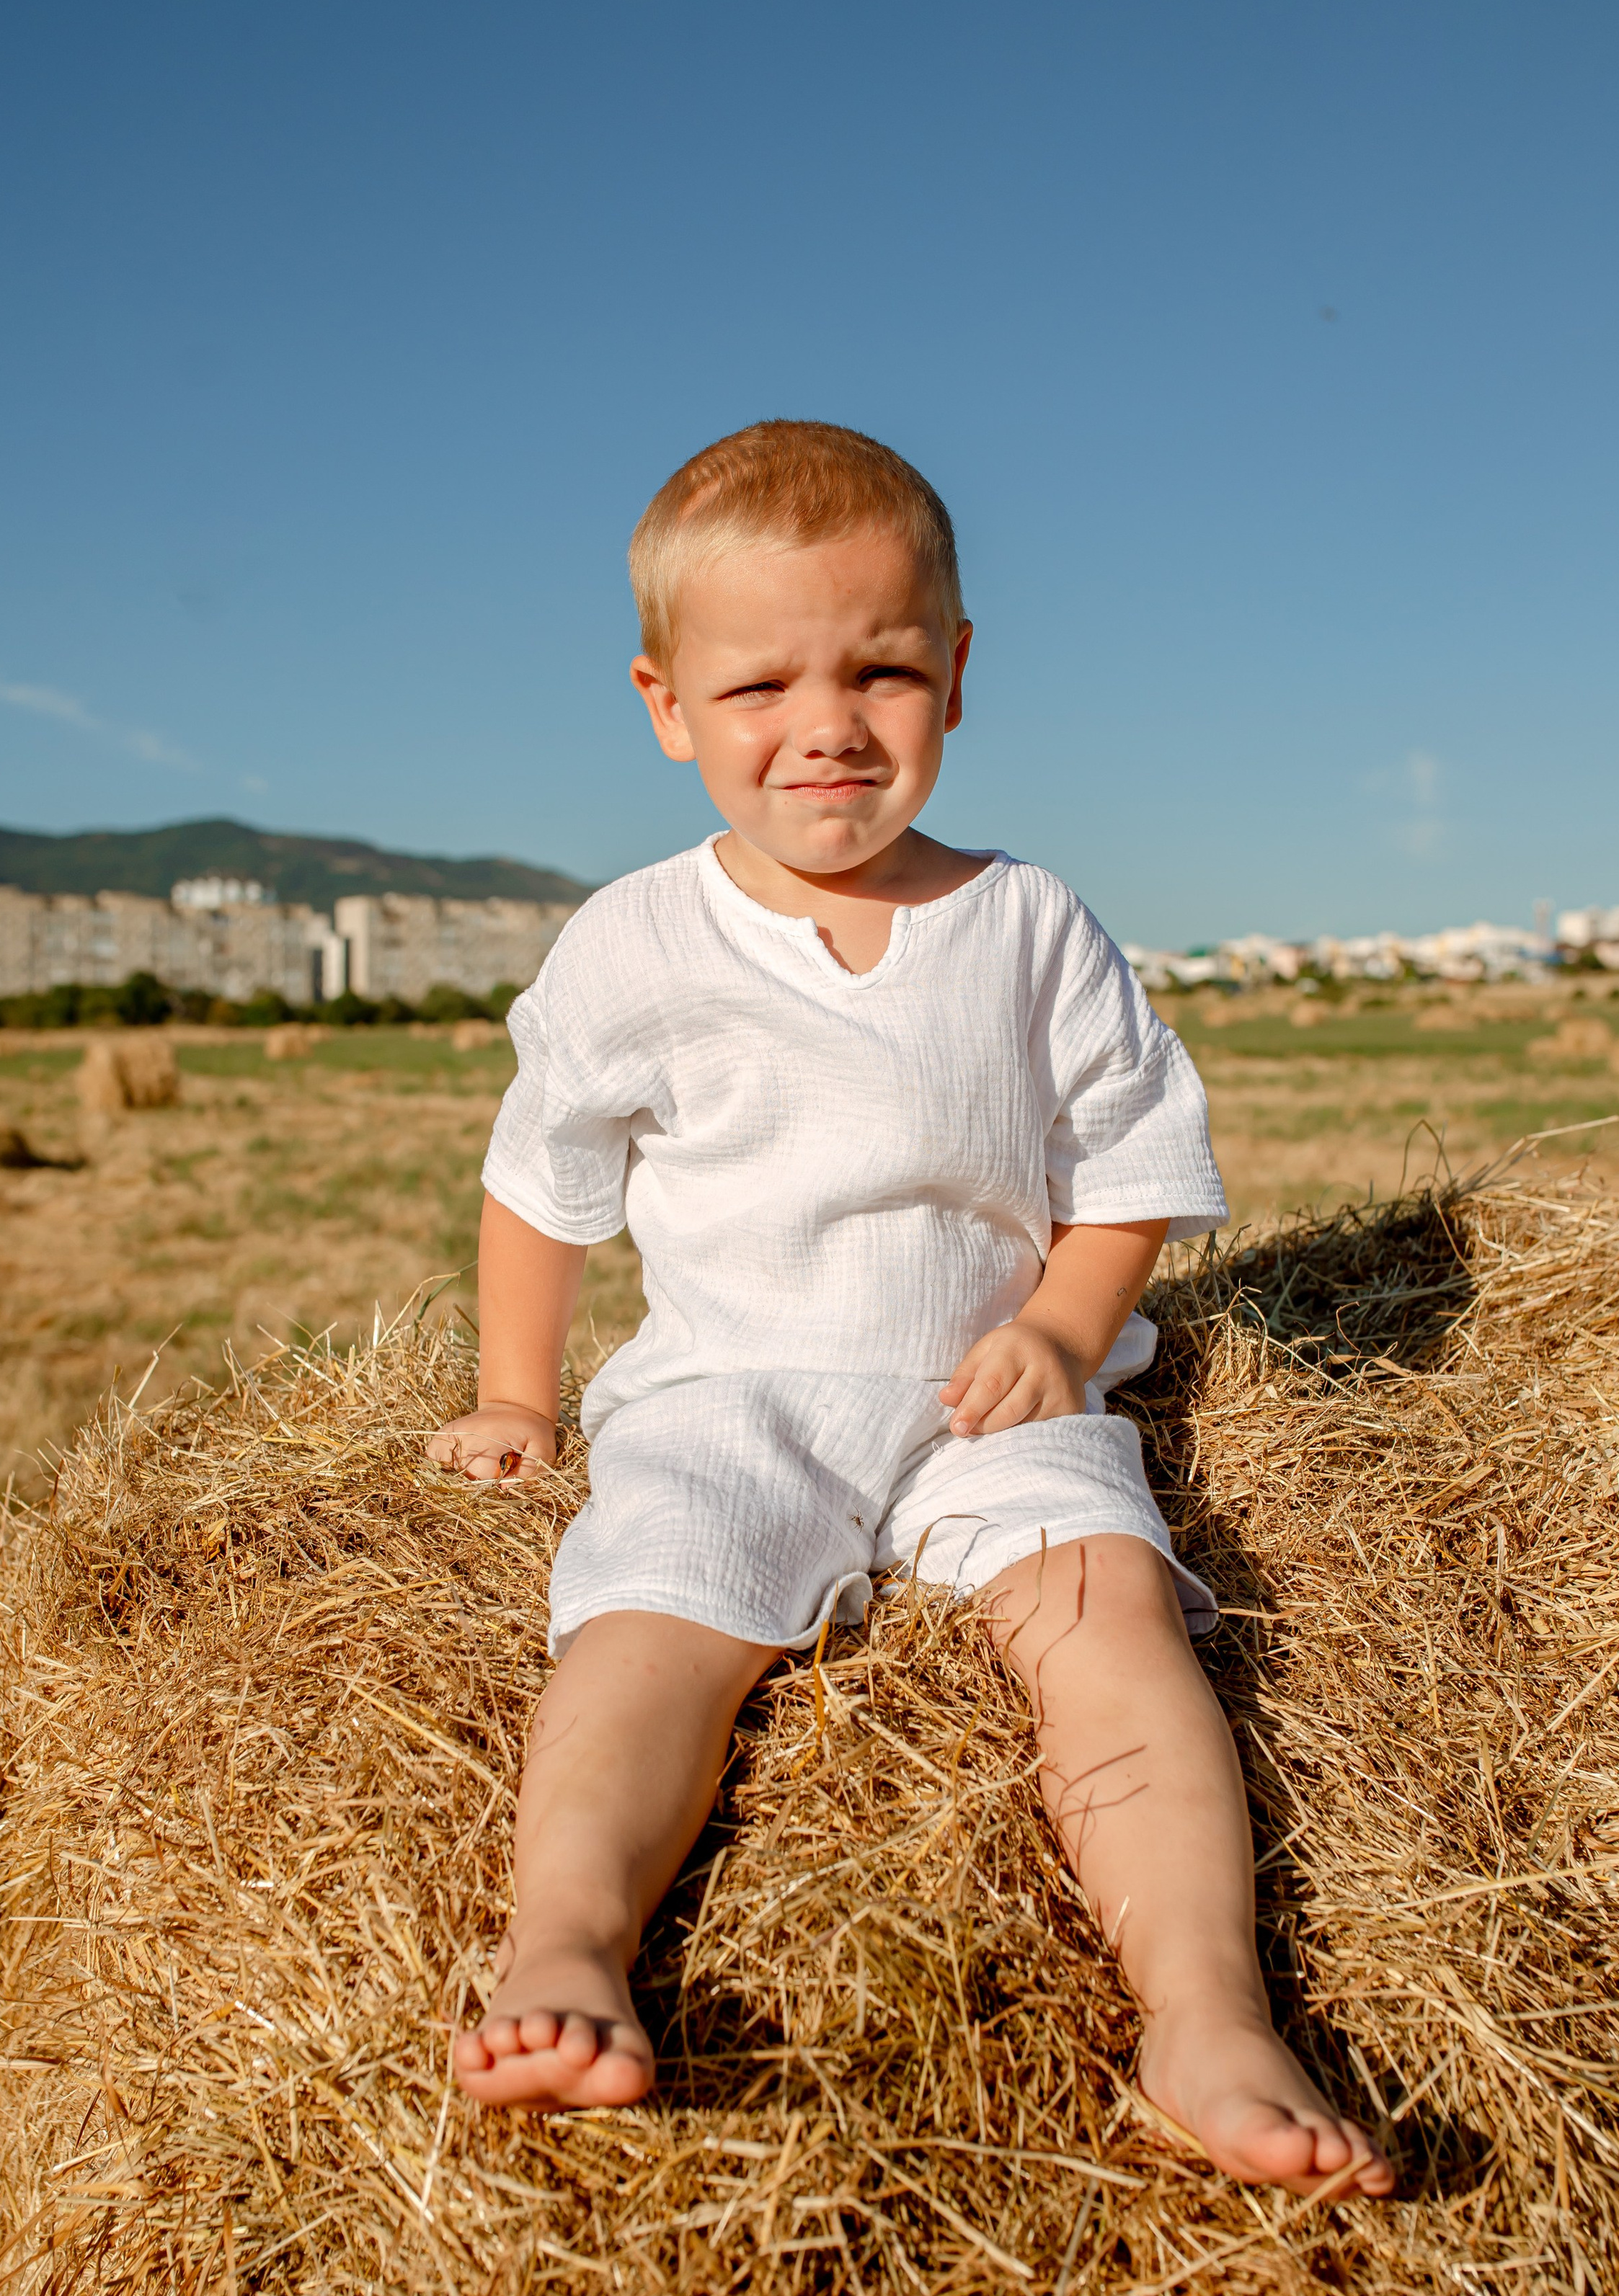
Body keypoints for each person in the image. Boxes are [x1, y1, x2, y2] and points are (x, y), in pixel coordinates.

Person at [427, 421, 1393, 2198]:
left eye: (880, 667)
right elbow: (538, 1182)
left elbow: (1127, 1165)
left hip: (989, 1400)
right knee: (647, 1630)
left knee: (1114, 1635)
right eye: (758, 685)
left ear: (956, 674)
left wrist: (1056, 1323)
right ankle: (564, 1941)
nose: (827, 723)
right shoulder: (631, 946)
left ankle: (1205, 2013)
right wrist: (515, 1393)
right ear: (664, 705)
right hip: (727, 1391)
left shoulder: (1028, 924)